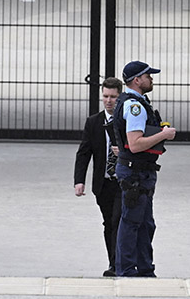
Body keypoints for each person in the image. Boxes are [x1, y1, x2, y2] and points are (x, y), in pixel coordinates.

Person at [113, 60, 176, 277]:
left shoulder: (136, 102)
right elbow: (136, 143)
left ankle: (144, 269)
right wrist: (164, 135)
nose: (151, 79)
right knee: (132, 222)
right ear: (137, 80)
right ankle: (127, 270)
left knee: (144, 223)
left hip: (140, 172)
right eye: (148, 76)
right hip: (136, 173)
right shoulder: (135, 107)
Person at [74, 76, 124, 276]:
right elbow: (84, 152)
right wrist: (79, 181)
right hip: (103, 183)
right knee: (108, 223)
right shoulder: (93, 122)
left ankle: (119, 264)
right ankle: (113, 262)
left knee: (118, 220)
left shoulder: (126, 120)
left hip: (122, 180)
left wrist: (124, 151)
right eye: (105, 96)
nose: (108, 101)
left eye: (113, 97)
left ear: (120, 97)